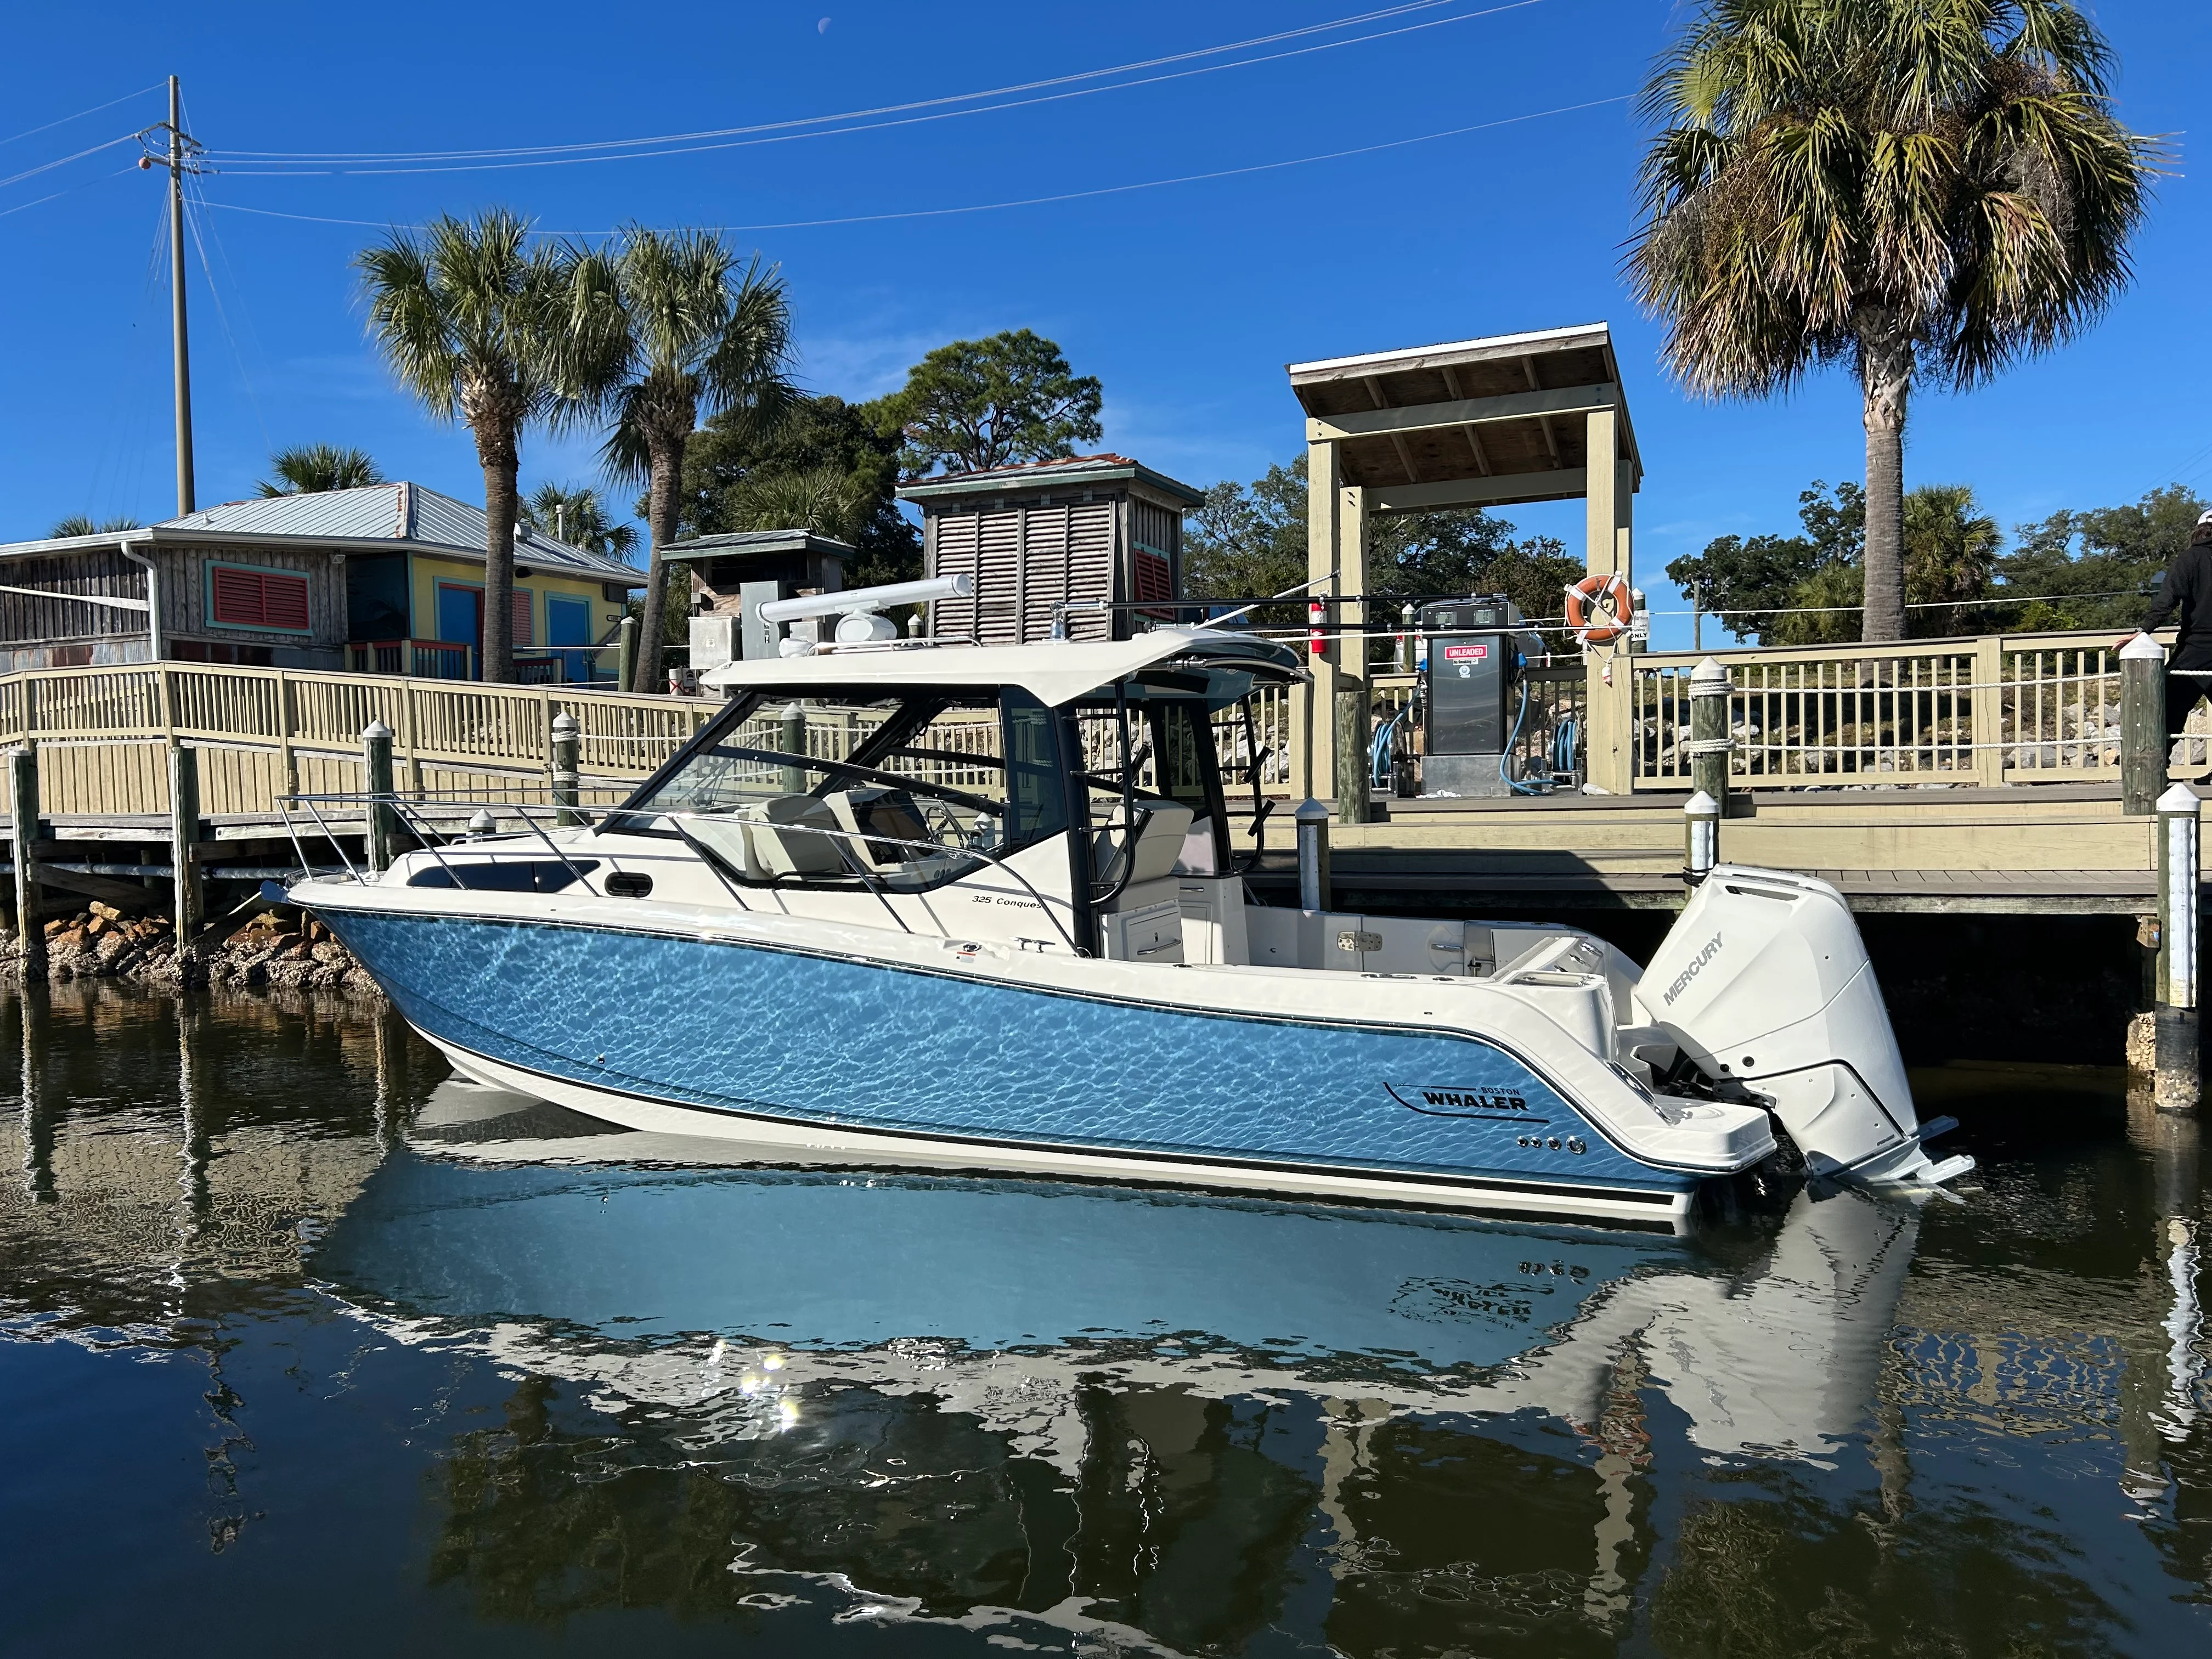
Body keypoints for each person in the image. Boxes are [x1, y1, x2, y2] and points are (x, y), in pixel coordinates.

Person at [2129, 509, 2212, 752]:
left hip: (2198, 648)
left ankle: (2156, 763)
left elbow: (2168, 599)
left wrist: (2144, 630)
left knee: (2170, 704)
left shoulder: (2190, 559)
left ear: (2198, 531)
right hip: (2199, 647)